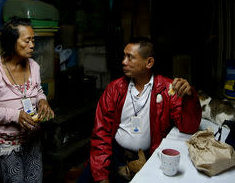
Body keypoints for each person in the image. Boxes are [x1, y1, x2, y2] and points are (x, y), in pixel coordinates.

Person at [79, 36, 202, 183]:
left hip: (148, 158)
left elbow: (189, 127)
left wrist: (190, 97)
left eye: (130, 58)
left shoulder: (167, 89)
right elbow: (101, 134)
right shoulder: (114, 89)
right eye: (124, 56)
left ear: (149, 62)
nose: (124, 62)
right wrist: (101, 176)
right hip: (114, 155)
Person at [0, 17, 54, 183]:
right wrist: (15, 115)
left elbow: (38, 90)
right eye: (27, 40)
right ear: (12, 42)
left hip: (32, 138)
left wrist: (42, 100)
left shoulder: (34, 66)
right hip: (7, 144)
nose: (32, 45)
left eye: (33, 40)